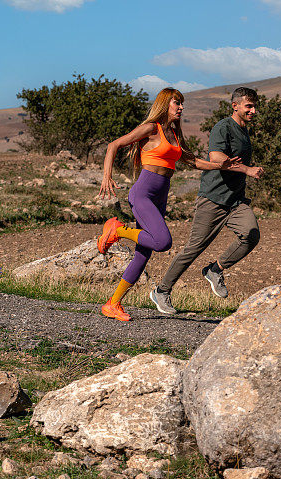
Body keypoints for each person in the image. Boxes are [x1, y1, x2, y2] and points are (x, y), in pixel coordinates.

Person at [96, 87, 242, 321]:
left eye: (182, 104)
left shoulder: (174, 134)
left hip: (160, 196)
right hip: (143, 194)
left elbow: (193, 161)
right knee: (162, 242)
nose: (181, 107)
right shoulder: (151, 128)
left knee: (143, 255)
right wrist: (106, 175)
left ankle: (113, 303)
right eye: (177, 103)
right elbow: (113, 145)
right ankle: (118, 230)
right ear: (165, 104)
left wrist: (220, 166)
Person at [148, 87, 264, 314]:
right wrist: (247, 170)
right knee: (193, 248)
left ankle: (215, 269)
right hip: (213, 199)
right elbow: (216, 157)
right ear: (235, 106)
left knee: (251, 235)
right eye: (249, 106)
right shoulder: (224, 127)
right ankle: (161, 291)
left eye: (254, 106)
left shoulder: (245, 131)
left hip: (236, 201)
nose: (253, 110)